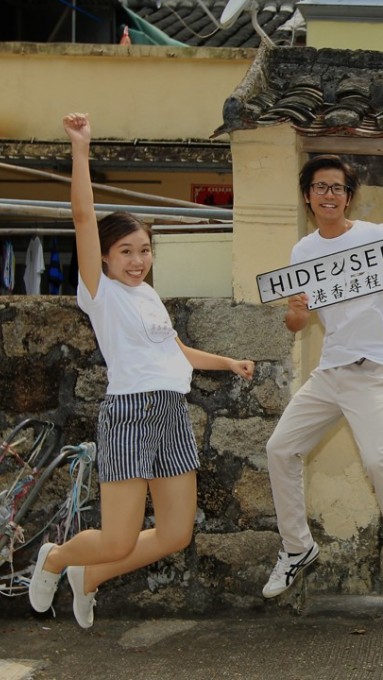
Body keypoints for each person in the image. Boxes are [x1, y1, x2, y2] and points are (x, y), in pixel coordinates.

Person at [29, 113, 255, 628]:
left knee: (176, 533)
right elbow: (82, 218)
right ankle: (57, 558)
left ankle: (88, 576)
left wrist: (227, 363)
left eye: (145, 250)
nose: (137, 260)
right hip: (130, 414)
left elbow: (176, 351)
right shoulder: (99, 294)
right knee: (118, 538)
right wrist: (80, 151)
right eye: (126, 252)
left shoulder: (149, 296)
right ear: (106, 258)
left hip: (171, 412)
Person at [262, 155, 383, 600]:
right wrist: (296, 310)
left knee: (378, 460)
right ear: (307, 196)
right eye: (320, 187)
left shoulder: (376, 237)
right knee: (280, 448)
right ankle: (297, 547)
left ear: (348, 196)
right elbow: (296, 323)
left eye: (337, 188)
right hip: (329, 371)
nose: (329, 195)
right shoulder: (303, 252)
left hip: (374, 367)